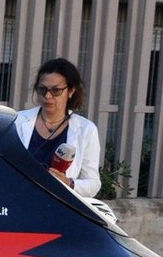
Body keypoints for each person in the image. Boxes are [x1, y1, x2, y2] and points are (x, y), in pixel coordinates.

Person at [14, 57, 101, 197]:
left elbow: (93, 183)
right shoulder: (17, 121)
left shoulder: (86, 130)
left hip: (59, 207)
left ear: (71, 91)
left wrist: (69, 183)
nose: (48, 96)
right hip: (18, 200)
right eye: (42, 89)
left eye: (56, 90)